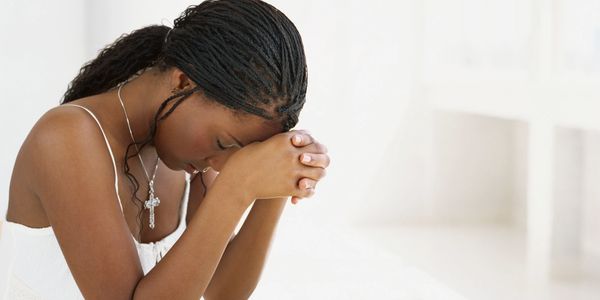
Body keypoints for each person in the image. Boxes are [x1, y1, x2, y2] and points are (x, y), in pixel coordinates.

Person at [0, 0, 330, 298]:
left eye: (241, 152)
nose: (225, 164)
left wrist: (283, 179)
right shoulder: (66, 138)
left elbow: (222, 292)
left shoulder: (196, 152)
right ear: (183, 81)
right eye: (224, 144)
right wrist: (235, 189)